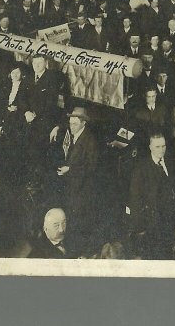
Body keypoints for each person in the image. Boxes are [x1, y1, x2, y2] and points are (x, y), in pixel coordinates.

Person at [47, 106, 103, 253]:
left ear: (83, 123)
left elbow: (91, 167)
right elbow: (67, 125)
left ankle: (77, 251)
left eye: (74, 125)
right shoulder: (76, 133)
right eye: (70, 124)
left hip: (82, 190)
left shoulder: (90, 141)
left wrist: (70, 170)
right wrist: (58, 127)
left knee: (78, 223)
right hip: (72, 186)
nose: (71, 128)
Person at [128, 133, 175, 260]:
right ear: (150, 147)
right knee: (153, 256)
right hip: (151, 222)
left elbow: (173, 183)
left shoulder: (170, 162)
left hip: (169, 220)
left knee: (167, 254)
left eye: (163, 146)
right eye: (157, 147)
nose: (161, 150)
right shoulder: (141, 168)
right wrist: (139, 225)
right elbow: (134, 199)